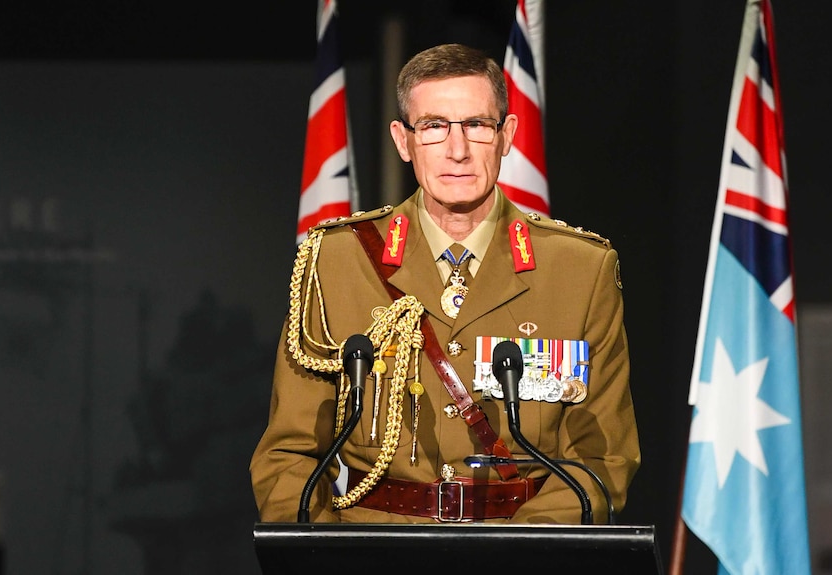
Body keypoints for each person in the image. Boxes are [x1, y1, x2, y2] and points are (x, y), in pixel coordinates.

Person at [250, 43, 640, 524]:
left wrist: (522, 558)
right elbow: (287, 457)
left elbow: (602, 459)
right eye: (434, 127)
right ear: (403, 139)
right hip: (369, 553)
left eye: (476, 125)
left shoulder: (580, 270)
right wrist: (329, 557)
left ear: (507, 135)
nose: (457, 150)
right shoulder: (336, 262)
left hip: (525, 556)